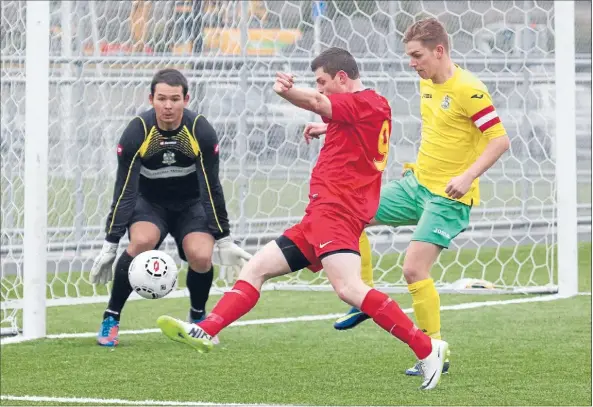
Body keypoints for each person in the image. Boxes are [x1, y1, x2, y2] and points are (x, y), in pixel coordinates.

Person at [156, 47, 449, 391]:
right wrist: (328, 130)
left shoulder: (364, 101)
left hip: (336, 213)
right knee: (256, 269)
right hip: (318, 217)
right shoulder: (369, 107)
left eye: (322, 81)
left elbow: (319, 104)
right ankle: (205, 330)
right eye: (316, 83)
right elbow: (354, 130)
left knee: (349, 289)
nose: (320, 88)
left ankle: (427, 348)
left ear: (342, 77)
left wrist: (286, 92)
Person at [325, 18, 510, 376]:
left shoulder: (469, 89)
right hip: (417, 186)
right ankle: (364, 297)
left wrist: (467, 175)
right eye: (410, 56)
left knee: (413, 268)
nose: (412, 63)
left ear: (439, 51)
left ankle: (433, 348)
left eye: (417, 55)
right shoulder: (426, 83)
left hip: (450, 196)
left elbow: (500, 141)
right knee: (351, 211)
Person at [90, 68, 251, 347]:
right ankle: (111, 316)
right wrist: (110, 243)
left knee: (201, 256)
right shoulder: (137, 131)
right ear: (150, 98)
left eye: (175, 99)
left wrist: (223, 237)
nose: (168, 106)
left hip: (191, 206)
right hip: (149, 204)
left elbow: (211, 187)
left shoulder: (200, 130)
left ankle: (199, 319)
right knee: (141, 242)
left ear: (186, 99)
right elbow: (124, 189)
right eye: (161, 98)